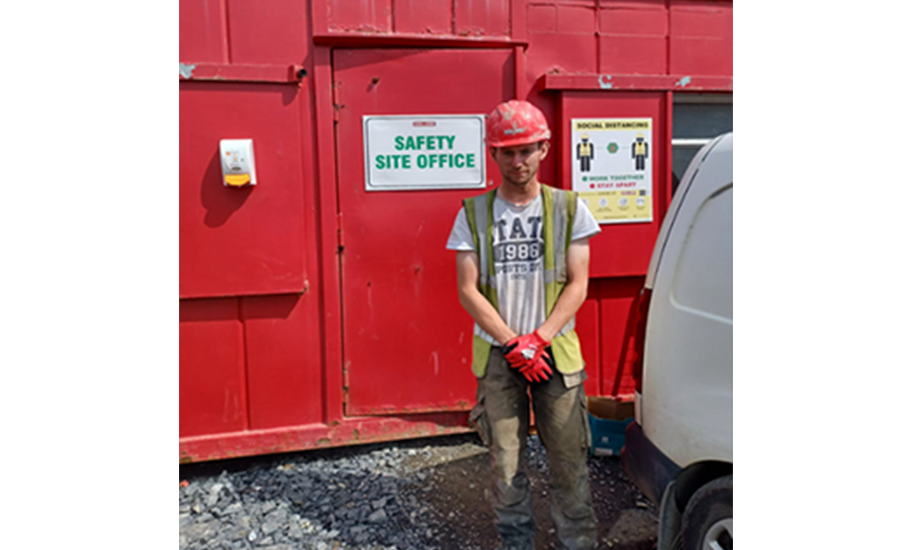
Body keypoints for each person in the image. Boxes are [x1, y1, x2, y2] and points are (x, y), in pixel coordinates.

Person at [446, 99, 602, 550]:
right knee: (506, 460)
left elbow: (578, 283)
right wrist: (516, 344)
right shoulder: (472, 214)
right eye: (507, 152)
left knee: (569, 459)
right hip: (500, 356)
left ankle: (578, 544)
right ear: (492, 154)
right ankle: (516, 543)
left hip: (555, 351)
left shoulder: (570, 208)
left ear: (544, 149)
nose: (518, 161)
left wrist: (540, 339)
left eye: (527, 150)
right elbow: (468, 290)